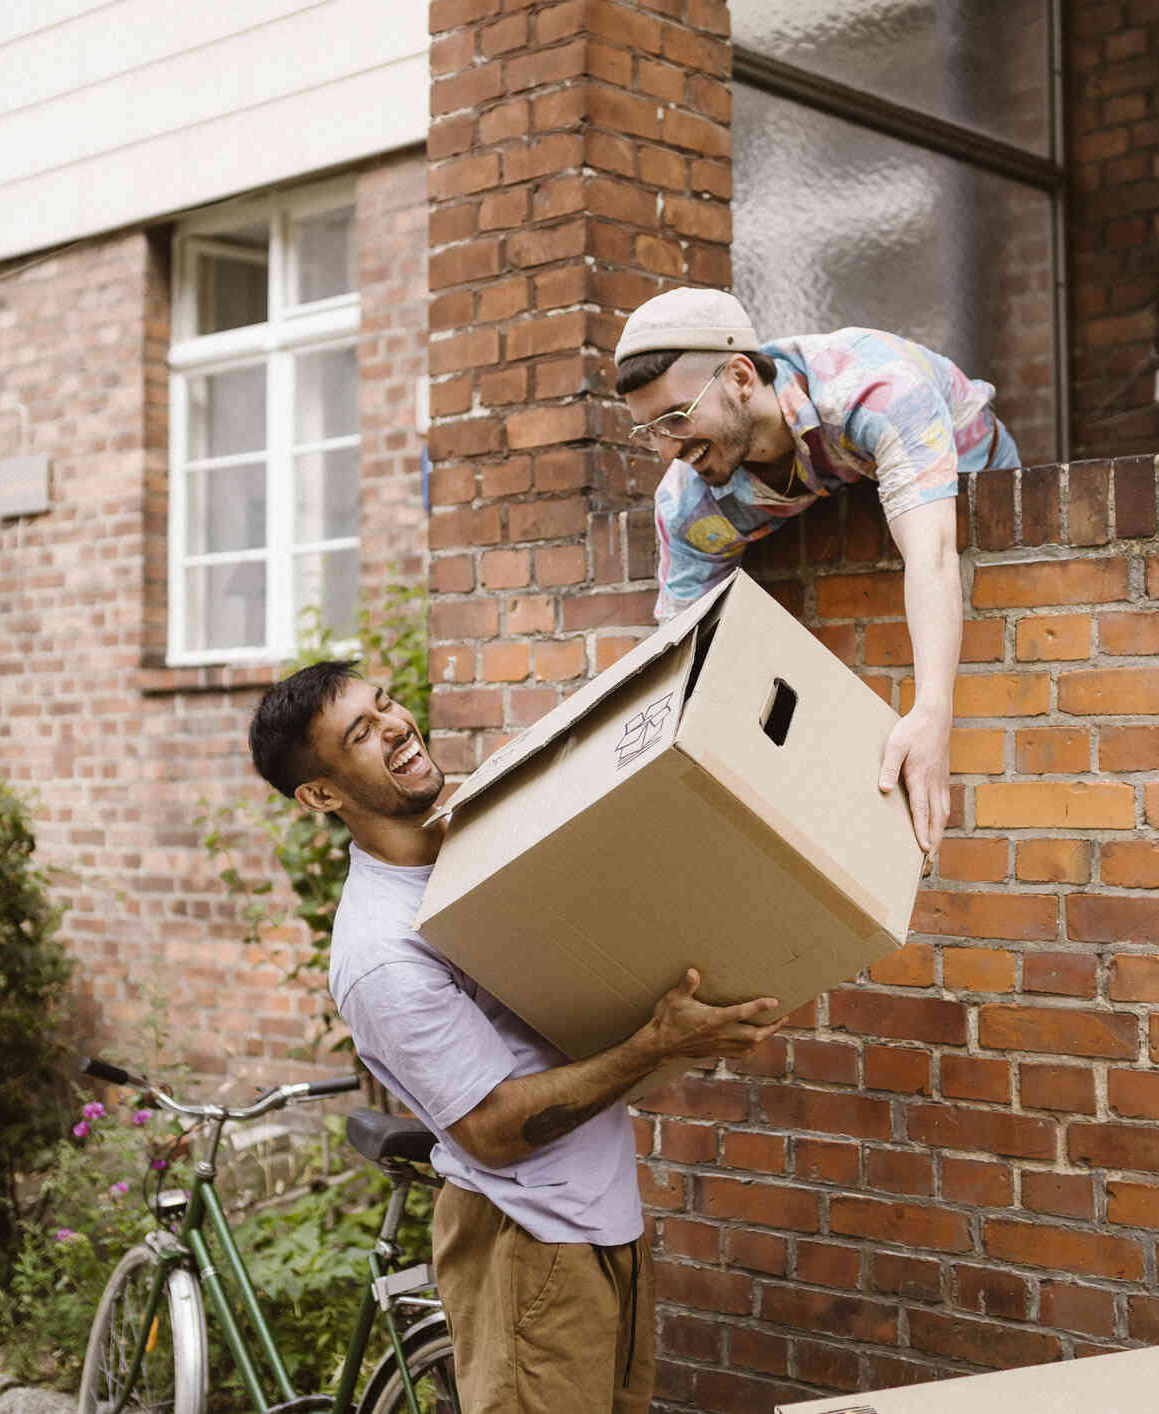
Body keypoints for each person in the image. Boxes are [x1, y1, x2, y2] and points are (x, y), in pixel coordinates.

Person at [247, 661, 783, 1414]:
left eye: (386, 704)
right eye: (360, 734)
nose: (396, 727)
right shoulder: (380, 953)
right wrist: (655, 1044)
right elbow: (491, 1129)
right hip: (529, 1244)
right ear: (321, 794)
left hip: (600, 1220)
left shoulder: (480, 835)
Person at [614, 287, 1019, 858]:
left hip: (971, 474)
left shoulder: (873, 388)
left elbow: (931, 555)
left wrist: (932, 712)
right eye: (647, 431)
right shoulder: (687, 505)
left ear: (738, 376)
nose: (665, 450)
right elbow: (683, 652)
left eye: (675, 419)